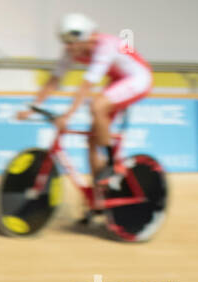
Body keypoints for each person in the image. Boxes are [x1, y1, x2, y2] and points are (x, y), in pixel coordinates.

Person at [19, 12, 153, 192]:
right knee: (92, 139)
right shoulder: (71, 50)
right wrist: (32, 107)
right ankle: (99, 196)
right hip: (117, 80)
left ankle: (112, 166)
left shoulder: (105, 45)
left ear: (87, 35)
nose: (69, 45)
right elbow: (54, 80)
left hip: (139, 78)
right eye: (65, 41)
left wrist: (68, 115)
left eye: (73, 40)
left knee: (96, 106)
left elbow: (86, 86)